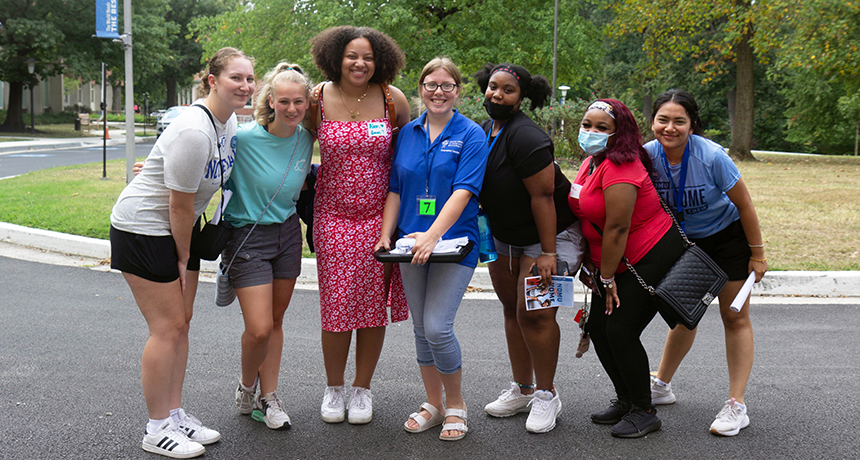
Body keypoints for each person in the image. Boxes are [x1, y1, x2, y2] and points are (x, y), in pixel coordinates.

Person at [109, 47, 254, 458]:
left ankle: (173, 413)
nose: (245, 86)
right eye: (235, 78)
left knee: (182, 323)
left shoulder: (226, 124)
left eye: (249, 79)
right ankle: (156, 429)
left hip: (178, 229)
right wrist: (180, 257)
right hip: (144, 229)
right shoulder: (195, 129)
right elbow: (177, 204)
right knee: (167, 327)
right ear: (212, 81)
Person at [374, 57, 488, 441]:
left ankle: (456, 405)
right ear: (420, 88)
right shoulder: (406, 133)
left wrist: (433, 235)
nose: (438, 92)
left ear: (458, 91)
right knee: (421, 329)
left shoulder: (471, 134)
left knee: (438, 326)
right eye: (430, 84)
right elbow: (395, 189)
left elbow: (464, 190)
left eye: (447, 85)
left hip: (453, 244)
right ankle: (434, 404)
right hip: (409, 244)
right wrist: (387, 234)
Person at [644, 89, 768, 436]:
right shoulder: (646, 156)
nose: (670, 128)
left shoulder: (711, 156)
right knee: (684, 314)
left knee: (734, 316)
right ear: (652, 122)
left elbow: (745, 205)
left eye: (679, 121)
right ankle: (662, 385)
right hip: (684, 242)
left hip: (726, 239)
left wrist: (757, 254)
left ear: (692, 125)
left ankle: (736, 405)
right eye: (663, 120)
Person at [473, 63, 585, 434]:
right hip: (506, 236)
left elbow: (543, 198)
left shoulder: (527, 137)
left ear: (522, 98)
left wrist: (549, 253)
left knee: (535, 314)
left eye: (508, 90)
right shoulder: (488, 130)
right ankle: (522, 388)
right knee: (512, 309)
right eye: (493, 87)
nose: (497, 95)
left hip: (551, 236)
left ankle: (546, 393)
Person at [309, 26, 411, 425]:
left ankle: (362, 387)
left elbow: (410, 154)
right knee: (335, 304)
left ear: (380, 60)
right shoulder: (318, 97)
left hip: (379, 219)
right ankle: (334, 388)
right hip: (331, 216)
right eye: (352, 55)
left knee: (371, 306)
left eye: (367, 57)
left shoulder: (392, 99)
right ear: (336, 57)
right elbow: (293, 143)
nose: (360, 63)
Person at [568, 99, 685, 438]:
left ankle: (645, 411)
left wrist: (606, 277)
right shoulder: (592, 161)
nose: (591, 132)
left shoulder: (622, 166)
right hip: (613, 261)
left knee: (619, 329)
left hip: (649, 256)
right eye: (587, 124)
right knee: (599, 327)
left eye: (601, 128)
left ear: (620, 133)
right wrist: (593, 266)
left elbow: (617, 228)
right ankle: (627, 400)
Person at [227, 63, 314, 430]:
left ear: (307, 104)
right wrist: (155, 169)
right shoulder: (244, 138)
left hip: (288, 234)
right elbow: (205, 161)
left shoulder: (307, 139)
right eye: (284, 101)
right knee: (259, 327)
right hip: (247, 235)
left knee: (276, 321)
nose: (292, 109)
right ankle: (248, 385)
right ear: (271, 102)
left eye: (299, 101)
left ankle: (270, 395)